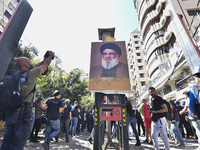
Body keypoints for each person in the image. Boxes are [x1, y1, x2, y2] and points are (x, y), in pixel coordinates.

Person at [0, 51, 55, 150]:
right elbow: (45, 66)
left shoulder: (16, 75)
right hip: (25, 114)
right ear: (26, 64)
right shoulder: (30, 75)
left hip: (11, 113)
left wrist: (43, 59)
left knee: (6, 143)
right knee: (17, 145)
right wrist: (50, 57)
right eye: (29, 63)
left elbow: (34, 66)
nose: (31, 64)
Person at [180, 65, 200, 150]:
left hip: (197, 114)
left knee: (199, 130)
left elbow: (191, 104)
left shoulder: (194, 87)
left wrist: (193, 114)